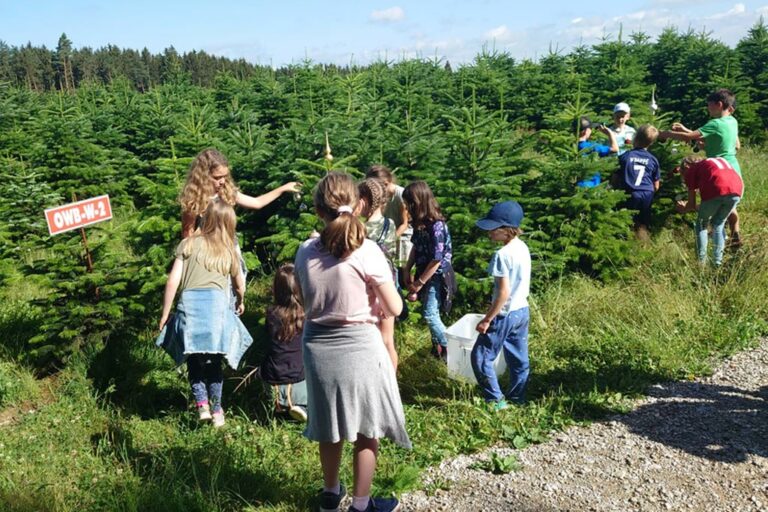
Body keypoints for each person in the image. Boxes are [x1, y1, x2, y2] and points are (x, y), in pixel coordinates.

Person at [294, 172, 410, 512]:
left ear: (318, 210)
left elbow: (306, 296)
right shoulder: (367, 251)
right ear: (359, 205)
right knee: (366, 428)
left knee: (328, 426)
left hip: (317, 346)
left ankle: (330, 493)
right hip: (360, 345)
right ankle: (360, 506)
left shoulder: (304, 252)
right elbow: (396, 307)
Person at [156, 200, 253, 428]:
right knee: (214, 363)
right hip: (216, 314)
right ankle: (217, 409)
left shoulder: (187, 244)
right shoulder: (228, 250)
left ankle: (202, 406)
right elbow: (239, 285)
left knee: (194, 360)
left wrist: (165, 313)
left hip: (190, 312)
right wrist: (240, 300)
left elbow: (173, 281)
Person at [659, 89, 742, 247]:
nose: (707, 109)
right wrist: (685, 130)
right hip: (733, 166)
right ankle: (734, 234)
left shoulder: (715, 123)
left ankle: (718, 241)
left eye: (709, 106)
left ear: (718, 104)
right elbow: (734, 144)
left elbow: (690, 138)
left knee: (716, 203)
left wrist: (665, 134)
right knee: (731, 203)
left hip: (718, 168)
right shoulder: (732, 121)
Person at [471, 201, 531, 410]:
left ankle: (496, 400)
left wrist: (487, 319)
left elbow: (503, 293)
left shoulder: (501, 255)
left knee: (480, 357)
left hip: (504, 315)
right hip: (522, 311)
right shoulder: (522, 247)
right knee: (518, 357)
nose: (489, 233)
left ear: (506, 230)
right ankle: (518, 397)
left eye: (493, 229)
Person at [179, 148, 300, 238]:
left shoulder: (226, 191)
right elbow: (187, 233)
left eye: (225, 176)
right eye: (217, 177)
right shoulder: (194, 199)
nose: (222, 181)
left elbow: (256, 203)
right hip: (206, 253)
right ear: (203, 176)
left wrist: (284, 188)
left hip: (229, 247)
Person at [402, 181, 455, 362]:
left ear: (418, 202)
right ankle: (438, 350)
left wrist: (419, 283)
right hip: (423, 272)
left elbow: (436, 258)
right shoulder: (420, 224)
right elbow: (415, 247)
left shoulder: (437, 226)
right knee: (430, 310)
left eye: (409, 203)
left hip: (436, 275)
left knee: (430, 314)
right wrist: (407, 268)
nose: (407, 207)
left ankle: (452, 347)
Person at [358, 178, 399, 368]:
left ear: (363, 201)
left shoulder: (361, 229)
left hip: (369, 287)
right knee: (388, 339)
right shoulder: (389, 224)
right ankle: (393, 385)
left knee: (373, 340)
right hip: (388, 281)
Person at [675, 155, 743, 267]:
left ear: (686, 166)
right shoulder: (711, 164)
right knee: (718, 223)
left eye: (683, 174)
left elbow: (691, 205)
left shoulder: (692, 170)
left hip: (717, 188)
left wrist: (683, 208)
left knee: (701, 224)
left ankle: (701, 262)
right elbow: (708, 205)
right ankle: (717, 262)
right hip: (736, 190)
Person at [260, 263, 308, 422]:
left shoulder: (271, 315)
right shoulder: (306, 316)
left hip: (272, 379)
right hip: (299, 379)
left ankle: (279, 406)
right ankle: (302, 406)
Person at [365, 165, 411, 279]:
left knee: (404, 269)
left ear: (386, 183)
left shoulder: (400, 195)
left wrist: (391, 238)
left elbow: (404, 224)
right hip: (386, 233)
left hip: (403, 236)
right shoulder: (379, 198)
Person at [617, 124, 661, 235]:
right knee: (643, 223)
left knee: (628, 221)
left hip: (631, 192)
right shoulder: (653, 159)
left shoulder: (625, 156)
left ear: (635, 138)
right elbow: (656, 185)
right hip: (647, 193)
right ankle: (643, 244)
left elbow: (615, 177)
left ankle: (627, 242)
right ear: (651, 143)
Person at [575, 116, 619, 187]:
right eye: (590, 128)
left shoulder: (571, 145)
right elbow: (615, 149)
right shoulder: (592, 146)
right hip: (591, 187)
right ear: (586, 131)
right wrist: (610, 133)